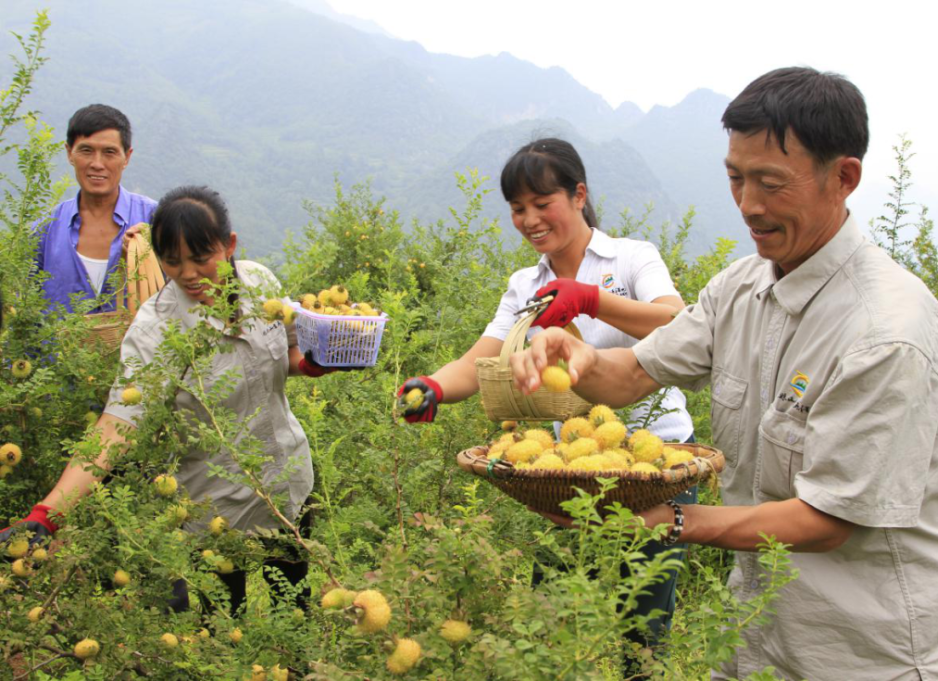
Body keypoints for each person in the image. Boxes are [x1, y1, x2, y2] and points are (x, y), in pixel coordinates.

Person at [509, 68, 938, 680]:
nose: (749, 206)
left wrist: (668, 519)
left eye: (771, 183)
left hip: (870, 653)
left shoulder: (885, 331)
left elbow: (827, 519)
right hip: (756, 635)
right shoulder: (741, 288)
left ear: (844, 178)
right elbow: (632, 375)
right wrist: (578, 359)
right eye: (736, 178)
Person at [398, 137, 696, 658]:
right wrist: (434, 388)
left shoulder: (630, 258)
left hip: (654, 463)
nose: (530, 218)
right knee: (552, 612)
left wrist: (591, 300)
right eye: (518, 208)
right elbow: (479, 359)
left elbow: (678, 320)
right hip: (569, 468)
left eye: (542, 203)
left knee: (643, 624)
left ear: (579, 195)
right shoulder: (525, 285)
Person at [2, 185, 340, 613]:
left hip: (288, 483)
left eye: (202, 258)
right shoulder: (156, 333)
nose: (188, 273)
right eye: (172, 261)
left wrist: (309, 364)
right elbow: (117, 426)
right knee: (224, 625)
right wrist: (46, 514)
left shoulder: (259, 283)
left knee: (294, 606)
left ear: (229, 244)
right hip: (217, 509)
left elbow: (286, 353)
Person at [35, 104, 156, 314]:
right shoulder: (46, 230)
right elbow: (27, 310)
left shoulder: (155, 219)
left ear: (126, 157)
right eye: (86, 150)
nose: (97, 164)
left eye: (109, 152)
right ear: (69, 153)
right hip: (60, 348)